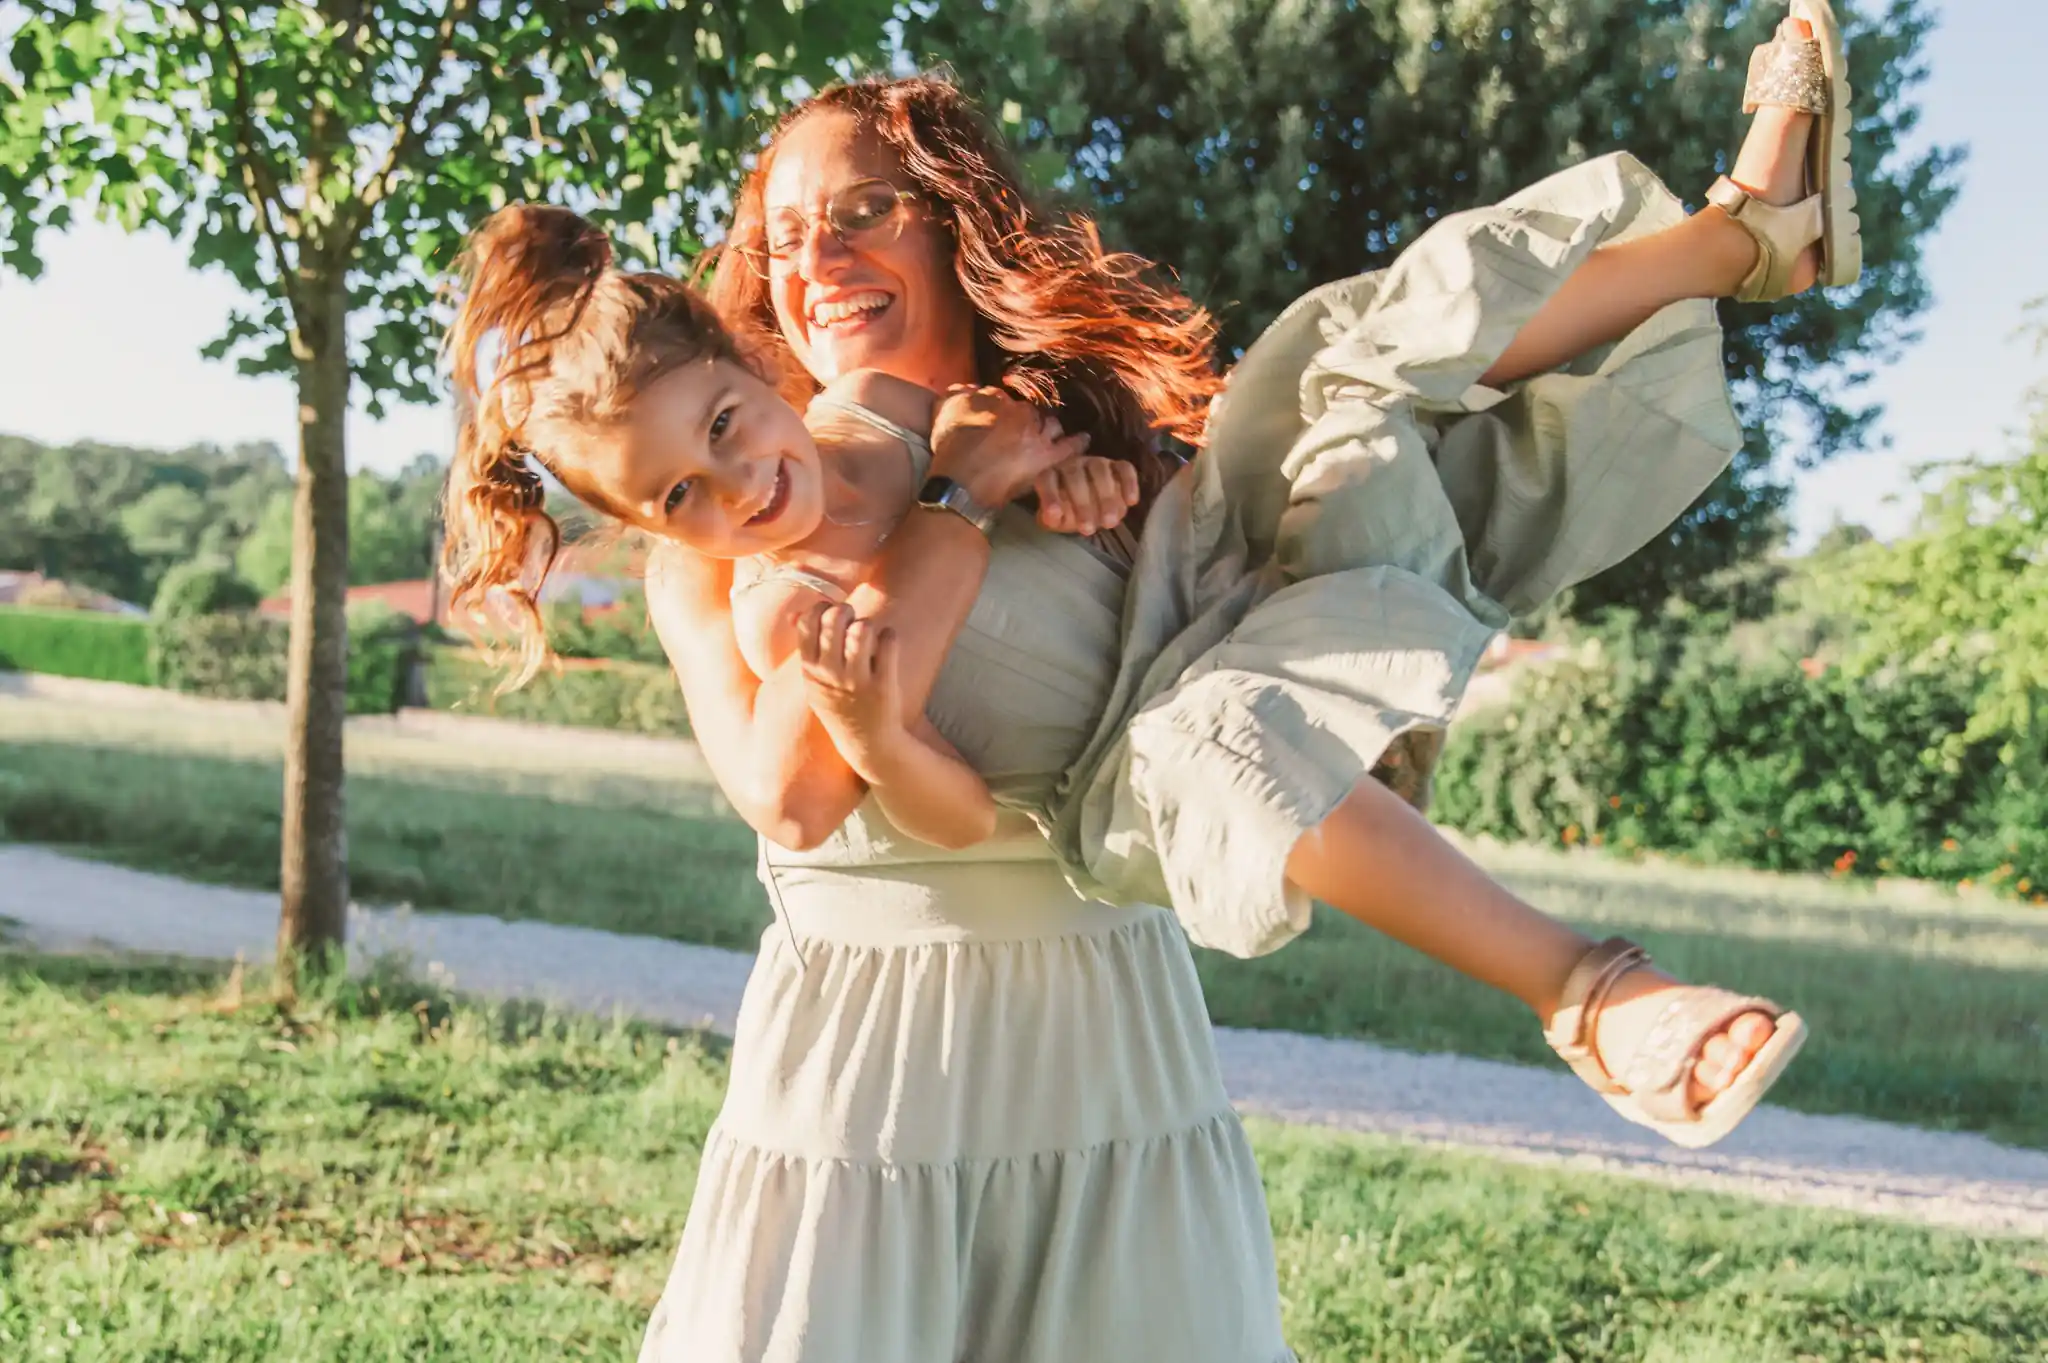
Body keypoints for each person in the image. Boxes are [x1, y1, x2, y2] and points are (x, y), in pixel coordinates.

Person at [443, 8, 1856, 1359]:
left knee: (1340, 371)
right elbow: (807, 785)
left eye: (862, 209)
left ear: (949, 219)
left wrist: (1089, 482)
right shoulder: (733, 534)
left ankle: (1742, 240)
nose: (818, 255)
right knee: (1215, 741)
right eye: (787, 234)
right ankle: (1582, 985)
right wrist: (961, 493)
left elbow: (1157, 583)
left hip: (1103, 1009)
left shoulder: (1058, 428)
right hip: (882, 1048)